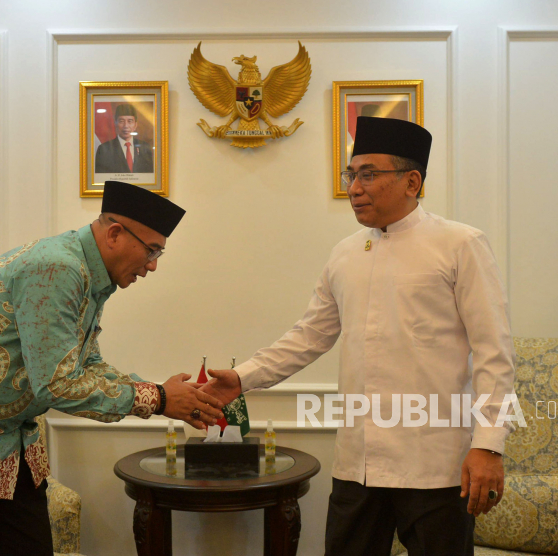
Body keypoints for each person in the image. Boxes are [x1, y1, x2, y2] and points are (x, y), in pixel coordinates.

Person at [202, 117, 516, 556]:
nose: (354, 187)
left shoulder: (460, 244)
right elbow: (310, 334)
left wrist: (488, 446)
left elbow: (493, 353)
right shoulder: (346, 253)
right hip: (358, 464)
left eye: (368, 174)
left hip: (435, 464)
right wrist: (243, 379)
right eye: (352, 175)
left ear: (412, 181)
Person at [0, 180, 223, 556]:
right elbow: (58, 385)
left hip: (8, 446)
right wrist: (156, 399)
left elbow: (85, 363)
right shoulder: (57, 267)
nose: (154, 264)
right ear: (114, 234)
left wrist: (160, 393)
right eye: (152, 249)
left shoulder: (88, 274)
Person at [95, 103, 154, 174]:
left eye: (130, 121)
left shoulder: (144, 147)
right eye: (121, 121)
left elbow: (150, 175)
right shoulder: (104, 149)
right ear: (116, 124)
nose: (126, 126)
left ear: (135, 125)